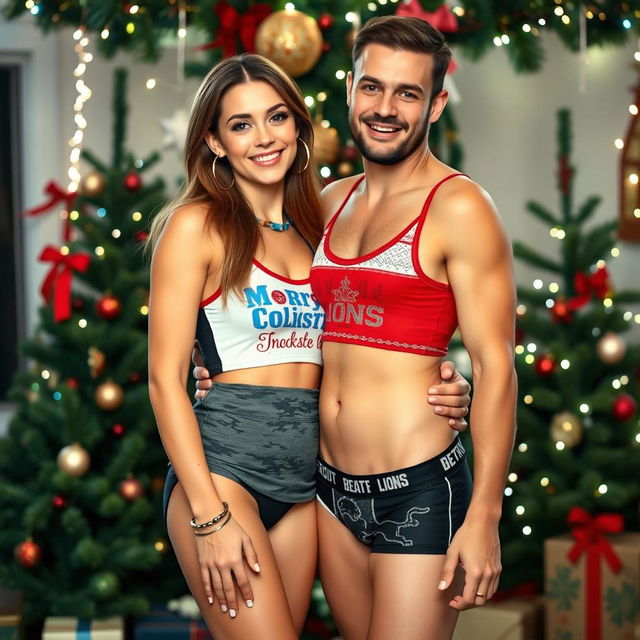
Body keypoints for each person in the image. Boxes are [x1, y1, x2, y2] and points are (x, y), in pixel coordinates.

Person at [196, 16, 517, 640]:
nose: (386, 108)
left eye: (408, 93)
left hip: (417, 488)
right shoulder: (326, 202)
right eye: (373, 87)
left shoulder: (460, 207)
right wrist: (213, 366)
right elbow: (265, 304)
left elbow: (498, 364)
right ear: (349, 90)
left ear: (437, 103)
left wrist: (484, 517)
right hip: (326, 493)